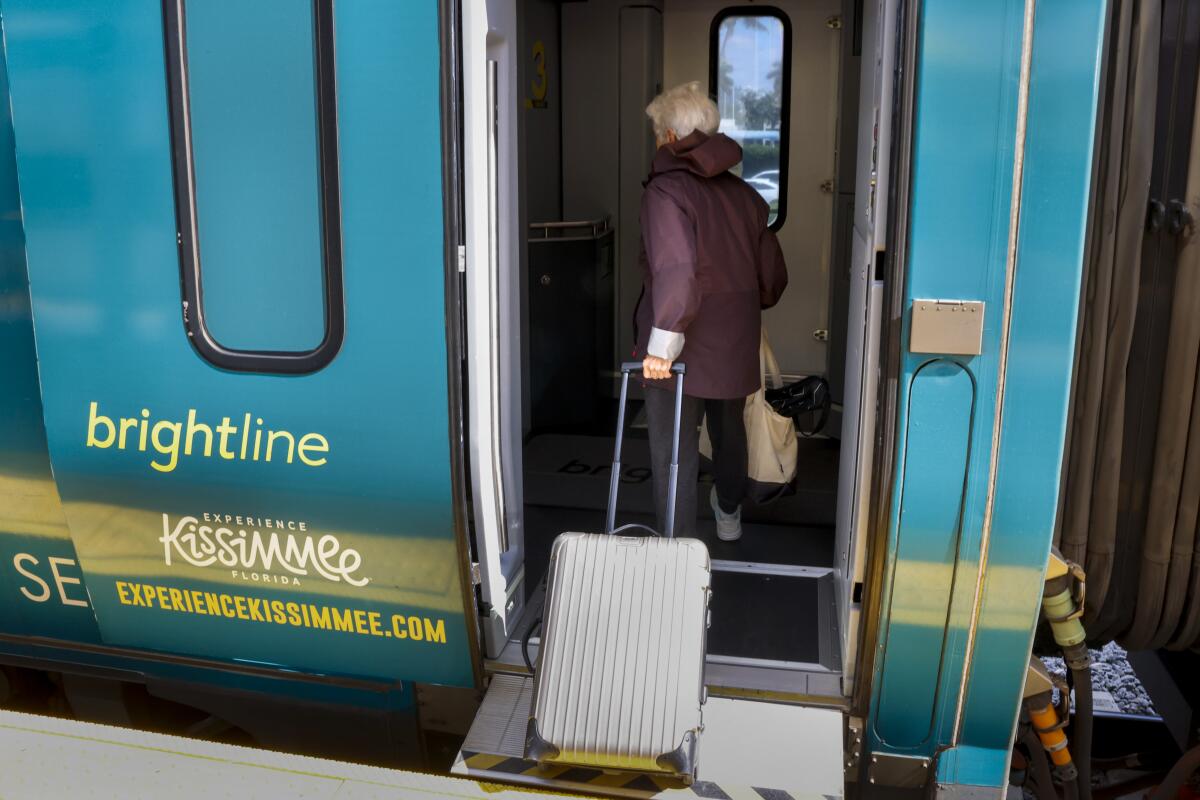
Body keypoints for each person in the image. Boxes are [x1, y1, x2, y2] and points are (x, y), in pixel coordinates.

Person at [635, 81, 788, 543]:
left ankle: (676, 548)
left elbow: (677, 271)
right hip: (734, 343)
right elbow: (773, 279)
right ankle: (727, 515)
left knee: (673, 450)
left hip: (677, 347)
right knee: (729, 435)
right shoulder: (745, 197)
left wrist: (662, 347)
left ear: (668, 137)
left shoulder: (666, 193)